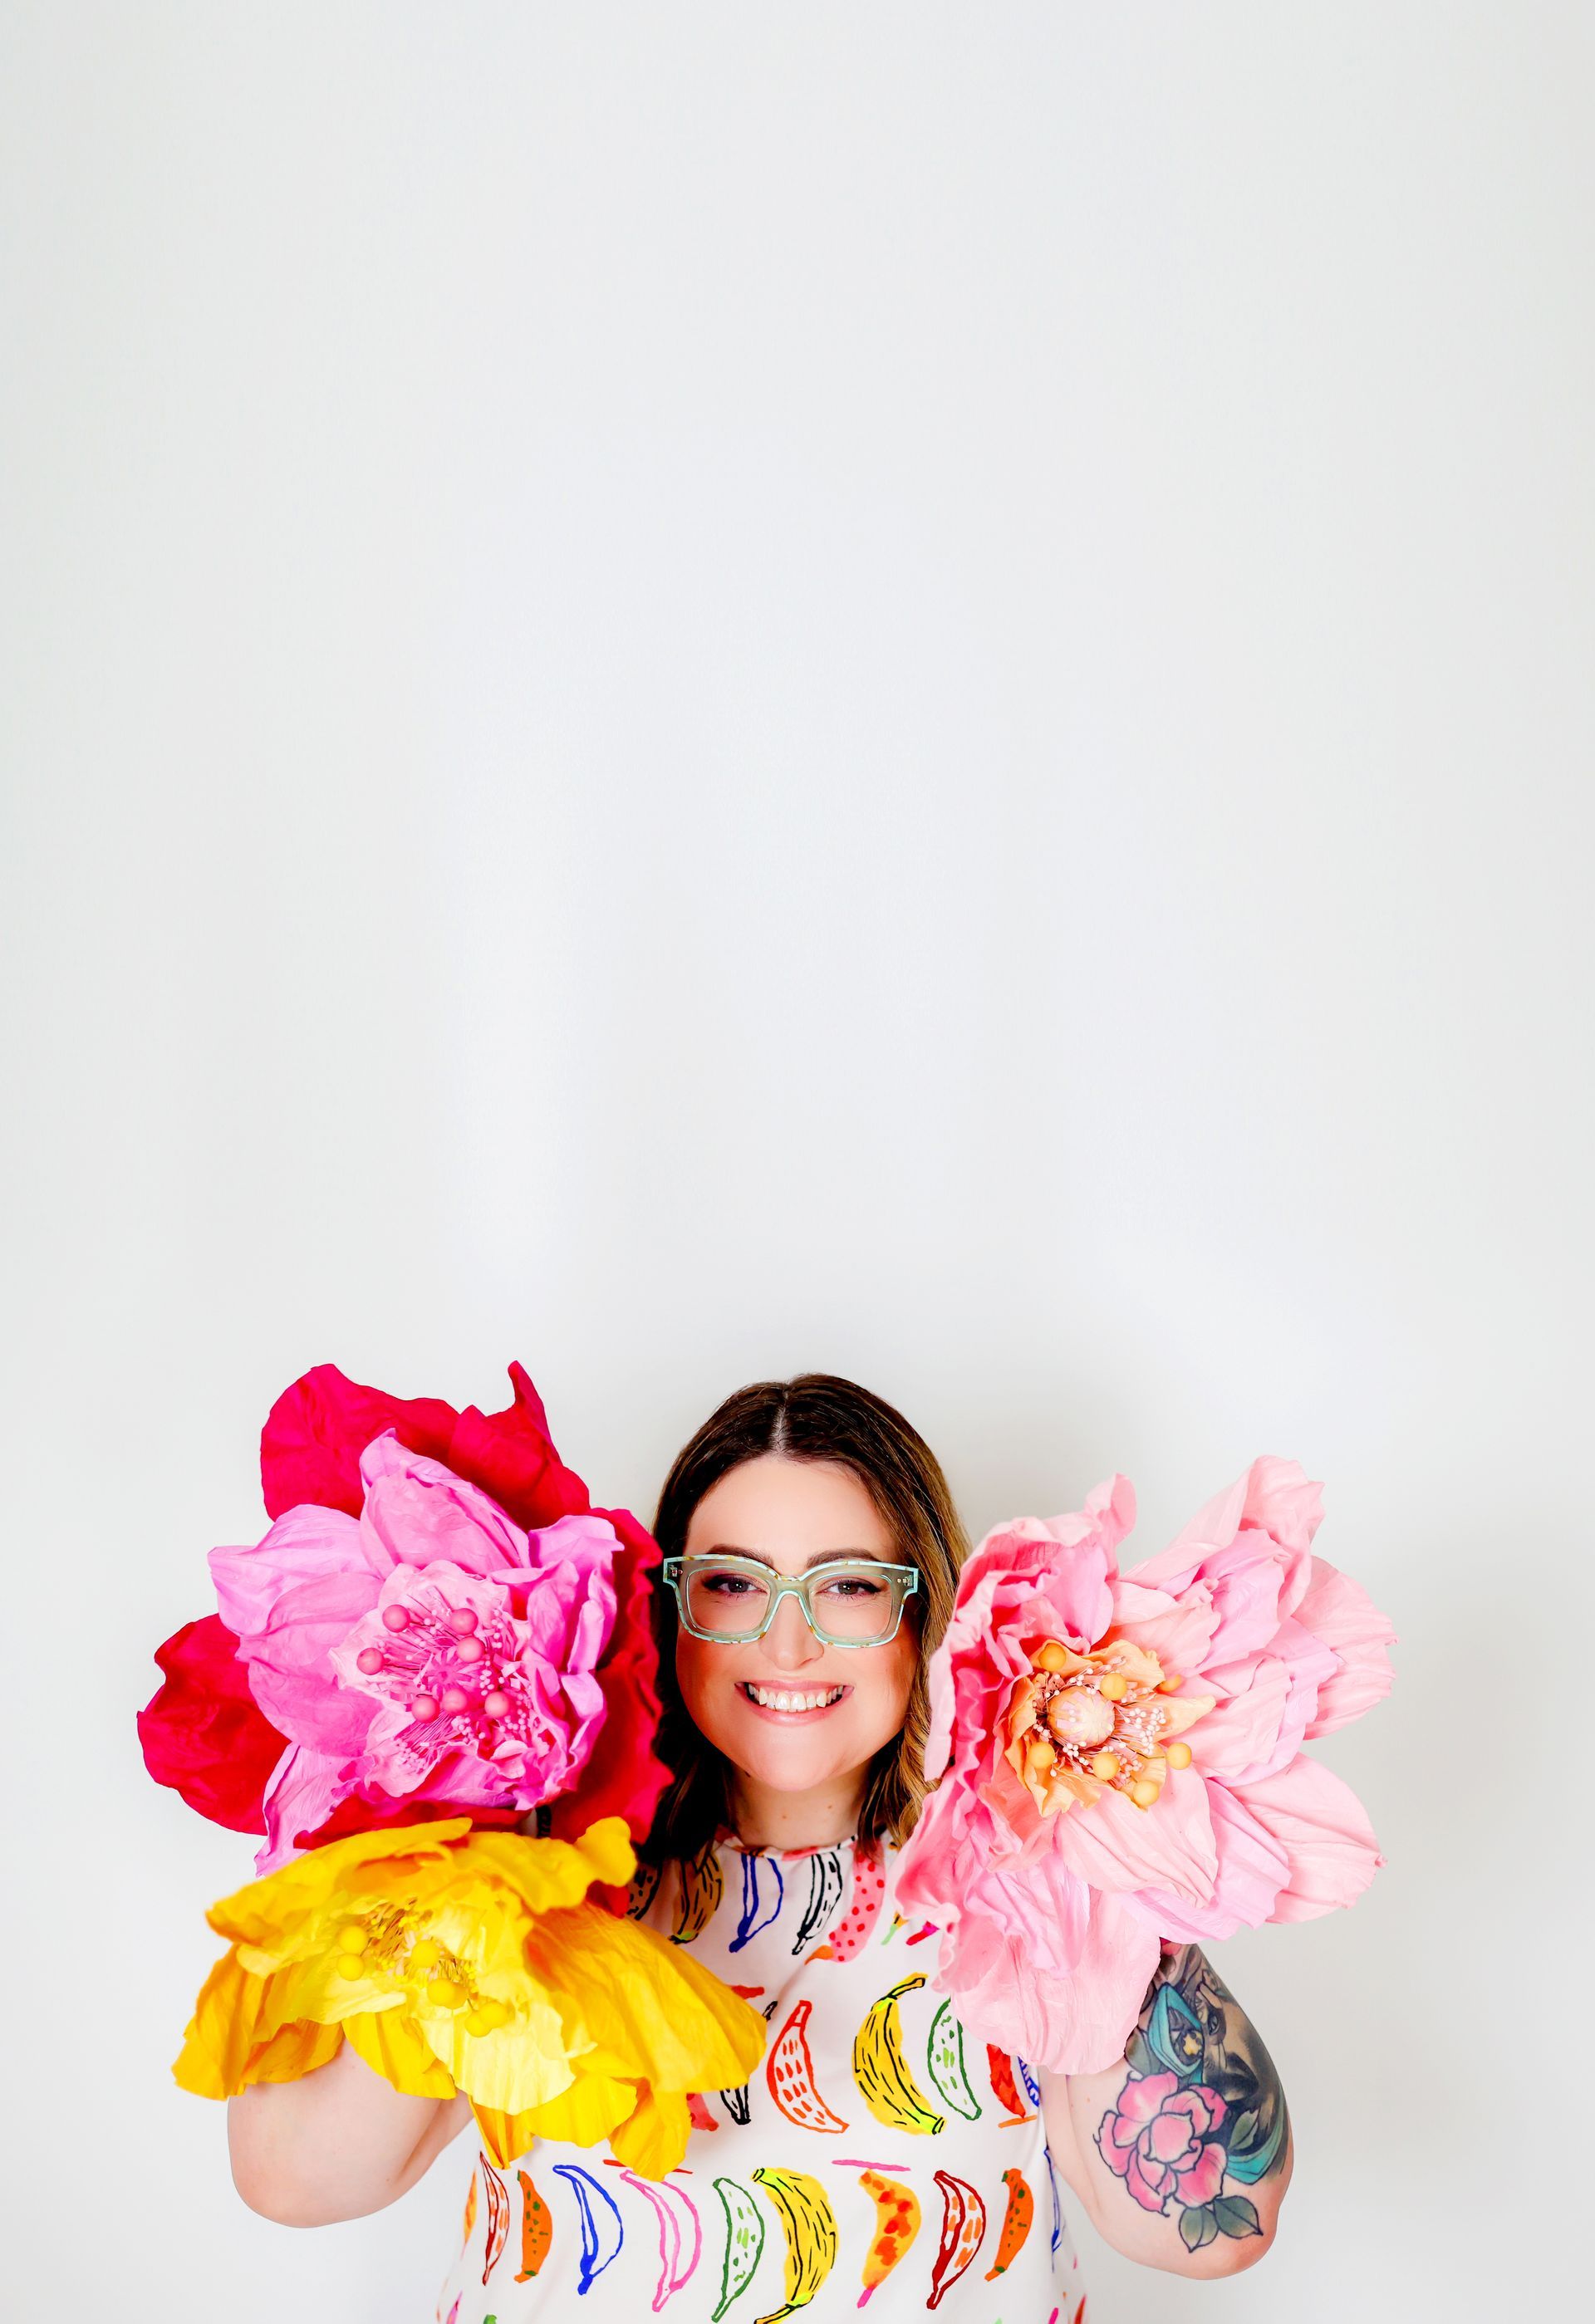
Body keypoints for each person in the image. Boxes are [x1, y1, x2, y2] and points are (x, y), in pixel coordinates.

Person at [229, 1375, 1293, 2314]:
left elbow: (1212, 2223)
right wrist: (476, 1829)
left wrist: (1092, 1821)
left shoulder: (1023, 1885)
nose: (788, 1642)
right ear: (669, 1603)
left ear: (926, 1609)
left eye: (848, 1584)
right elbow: (297, 2179)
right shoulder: (543, 1875)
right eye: (733, 1583)